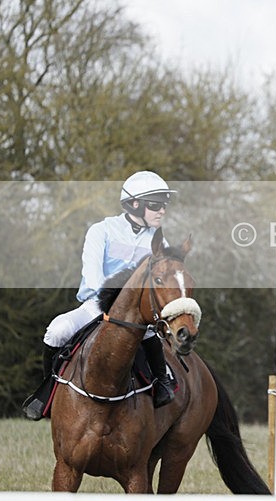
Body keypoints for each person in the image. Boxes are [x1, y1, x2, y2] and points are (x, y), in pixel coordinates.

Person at [23, 171, 178, 420]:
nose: (162, 211)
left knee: (150, 334)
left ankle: (162, 383)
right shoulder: (102, 230)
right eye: (156, 205)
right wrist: (111, 307)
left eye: (164, 206)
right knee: (57, 330)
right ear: (134, 204)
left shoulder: (159, 241)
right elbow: (92, 274)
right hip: (96, 306)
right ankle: (48, 392)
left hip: (136, 314)